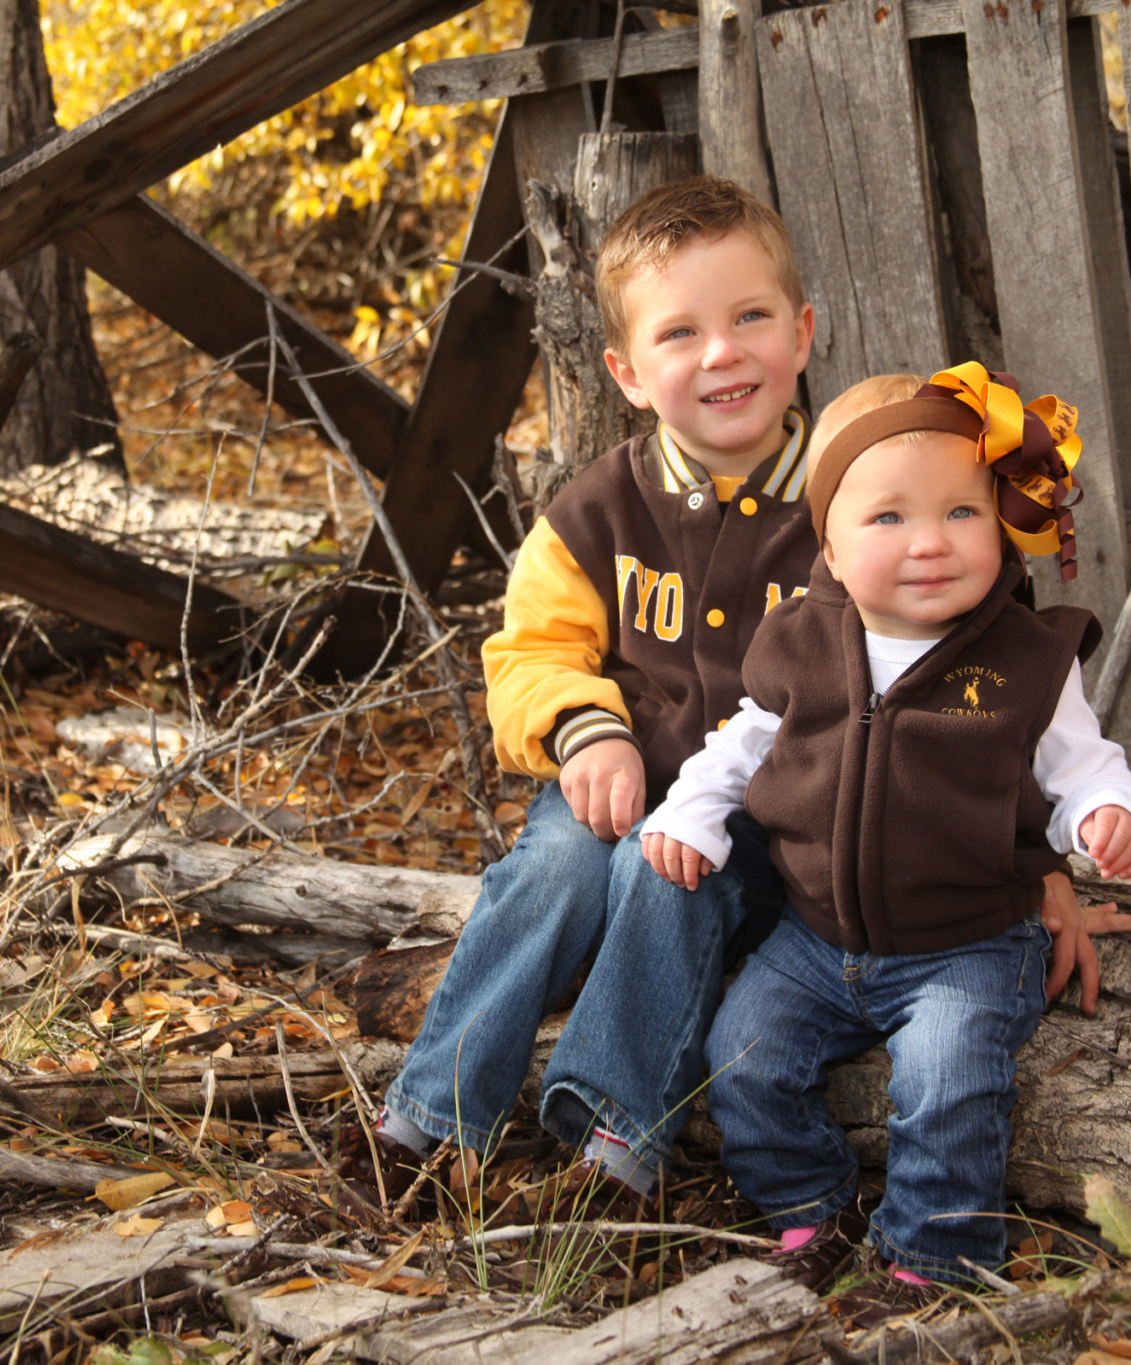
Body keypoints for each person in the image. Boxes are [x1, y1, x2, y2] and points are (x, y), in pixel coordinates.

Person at [339, 176, 820, 1223]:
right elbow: (531, 651)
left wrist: (1031, 864)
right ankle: (423, 1121)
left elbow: (945, 663)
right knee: (552, 864)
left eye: (750, 317)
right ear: (628, 373)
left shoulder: (848, 505)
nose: (721, 353)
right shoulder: (596, 510)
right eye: (679, 332)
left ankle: (613, 1150)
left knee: (663, 869)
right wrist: (586, 730)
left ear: (802, 333)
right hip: (613, 785)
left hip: (768, 829)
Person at [641, 365, 1131, 1314]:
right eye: (888, 517)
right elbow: (744, 739)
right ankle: (813, 1208)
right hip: (812, 940)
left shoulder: (1026, 658)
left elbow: (1083, 766)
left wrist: (1105, 815)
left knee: (949, 1080)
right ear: (831, 548)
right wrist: (689, 812)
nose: (930, 541)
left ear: (998, 520)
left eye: (962, 511)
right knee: (742, 1057)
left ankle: (934, 1256)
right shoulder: (800, 640)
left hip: (970, 942)